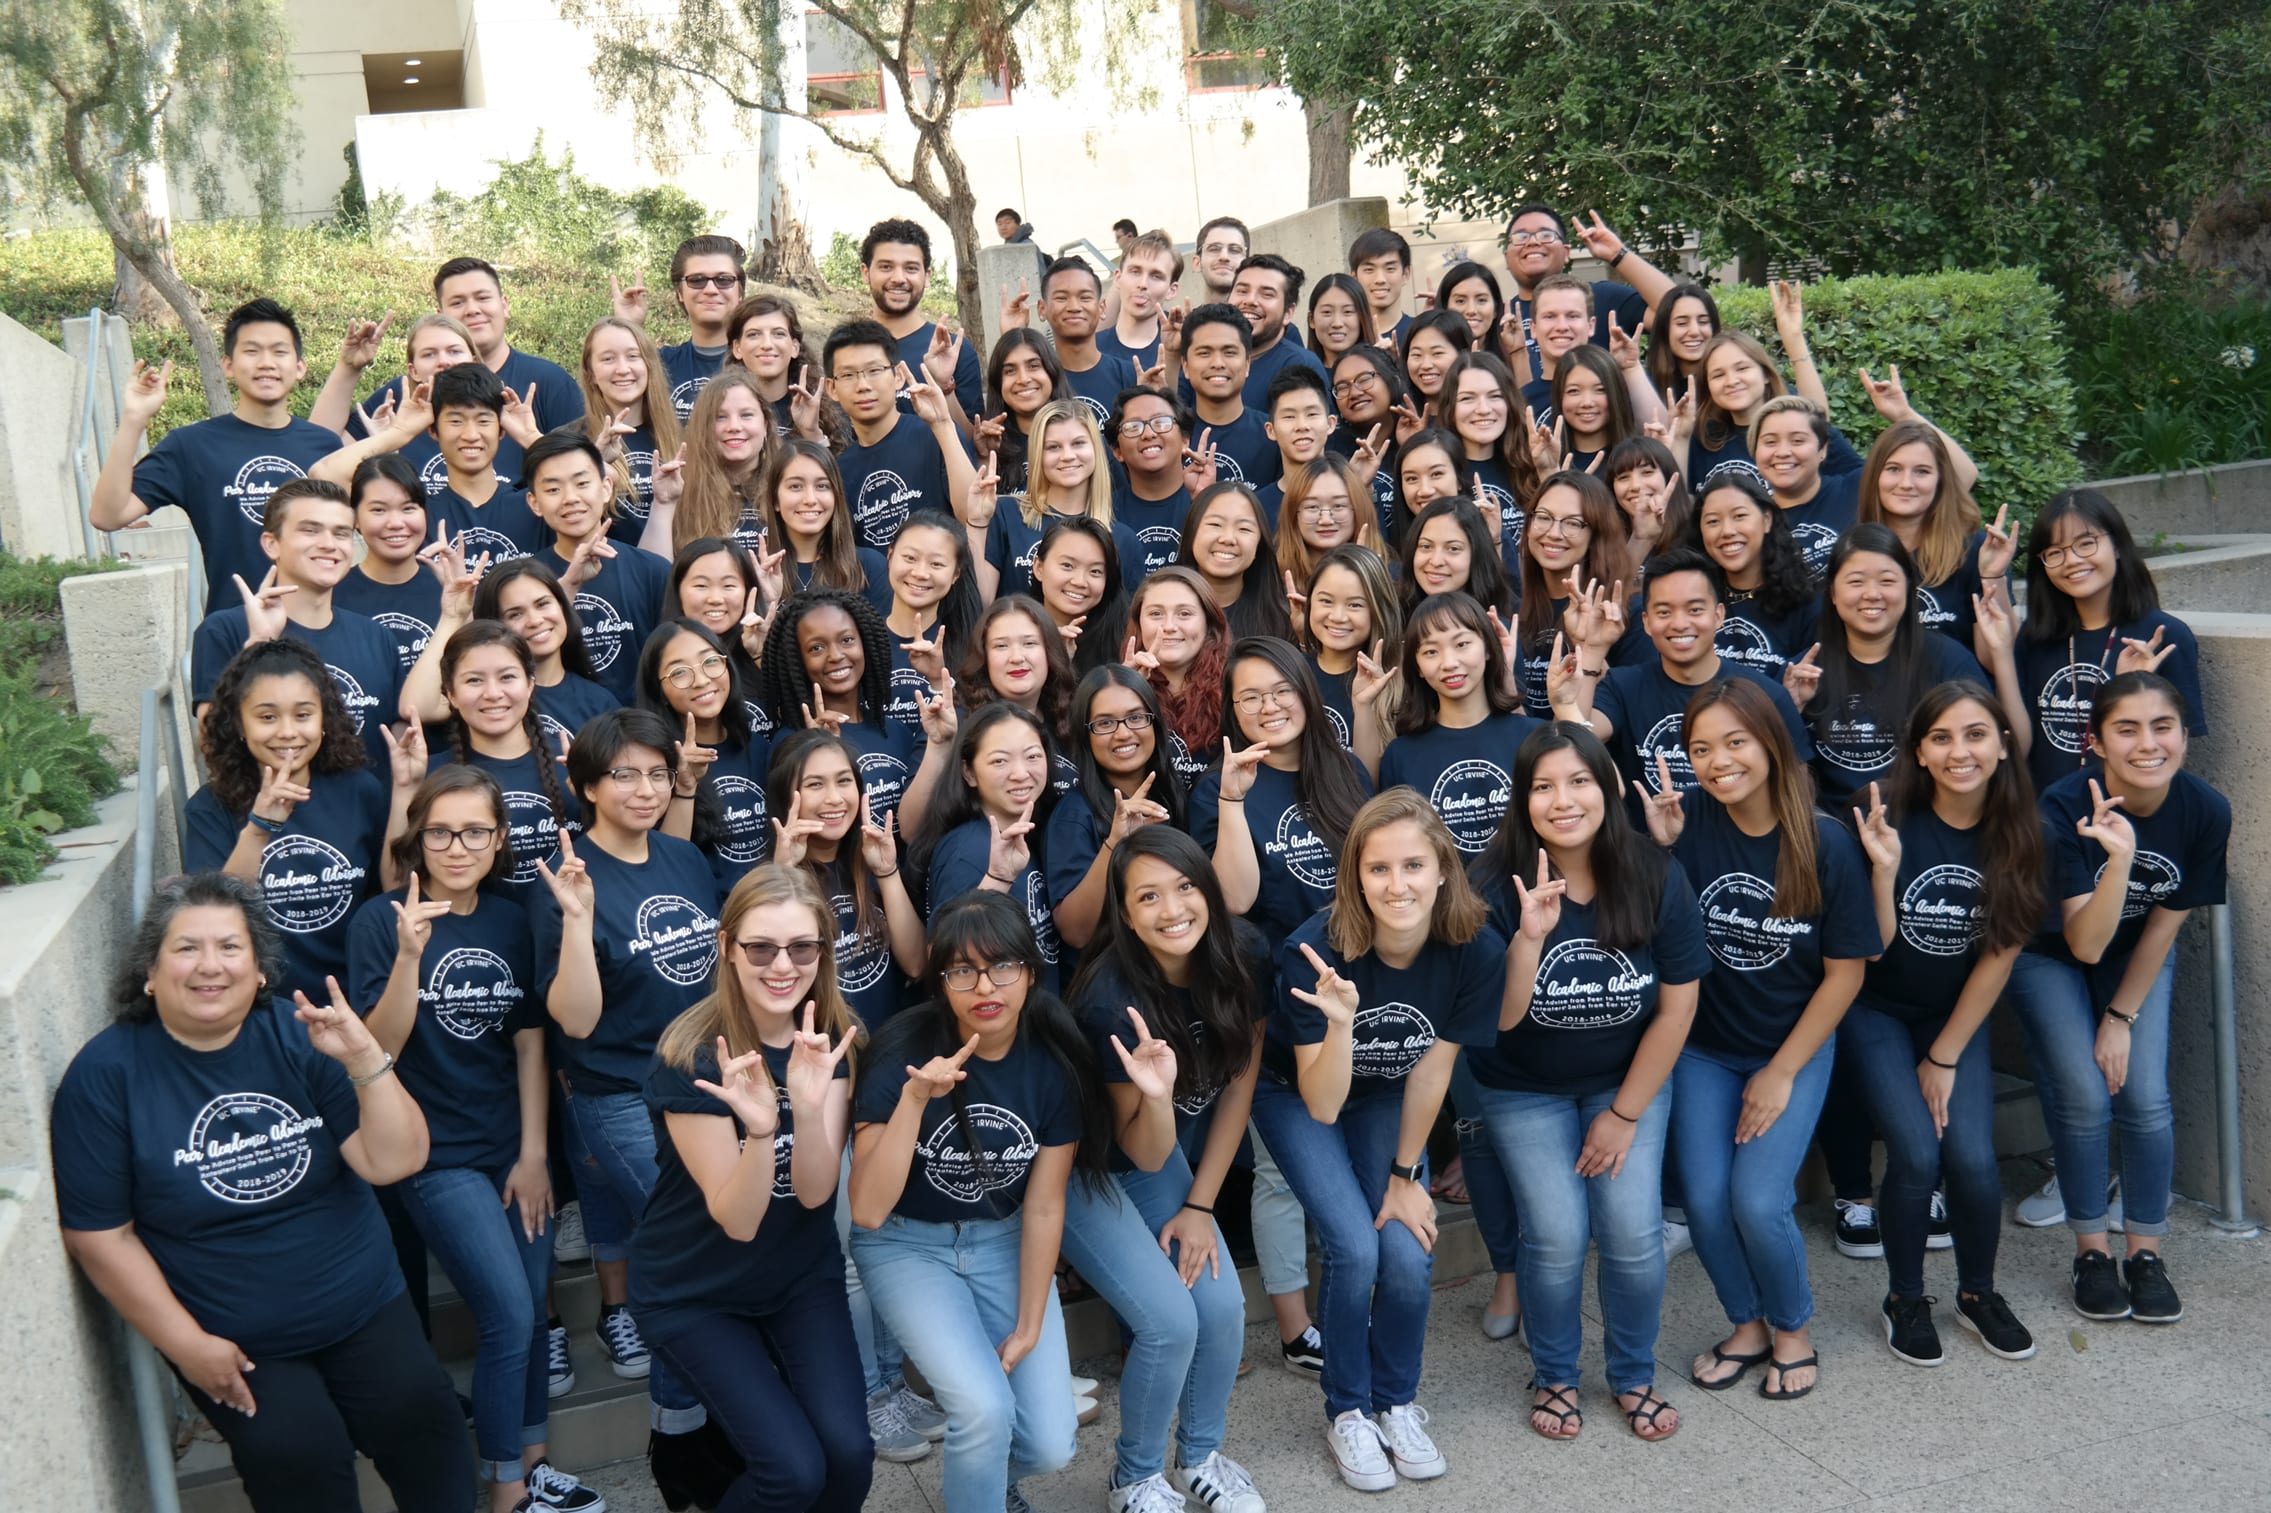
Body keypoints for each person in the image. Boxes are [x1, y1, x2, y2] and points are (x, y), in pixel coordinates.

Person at [52, 873, 469, 1513]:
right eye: (186, 949)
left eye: (230, 947)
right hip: (235, 1341)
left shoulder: (300, 1033)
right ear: (149, 973)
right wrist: (186, 1344)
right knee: (299, 1456)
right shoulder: (105, 1077)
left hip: (362, 1304)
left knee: (427, 1427)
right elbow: (100, 1236)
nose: (210, 966)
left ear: (260, 969)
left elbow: (395, 1161)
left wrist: (365, 1062)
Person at [346, 768, 604, 1513]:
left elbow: (530, 1042)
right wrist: (407, 957)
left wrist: (532, 1153)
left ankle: (532, 1458)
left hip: (508, 1142)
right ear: (416, 838)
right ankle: (506, 1490)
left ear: (498, 840)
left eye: (475, 831)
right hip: (432, 1155)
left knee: (526, 1297)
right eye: (440, 831)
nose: (457, 846)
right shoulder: (378, 920)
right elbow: (376, 1049)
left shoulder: (510, 917)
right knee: (508, 1312)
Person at [1253, 790, 1506, 1491]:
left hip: (1390, 1090)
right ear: (1354, 876)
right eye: (1378, 868)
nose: (1396, 885)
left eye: (1413, 865)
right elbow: (1323, 1101)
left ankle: (1395, 1402)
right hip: (1300, 1091)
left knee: (1403, 1247)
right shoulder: (1312, 949)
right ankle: (1348, 1412)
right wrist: (1338, 1022)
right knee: (1354, 1245)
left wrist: (1405, 1175)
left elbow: (1433, 1068)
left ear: (1442, 869)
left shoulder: (1474, 946)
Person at [1641, 678, 1879, 1403]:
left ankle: (1792, 1330)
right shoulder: (1687, 829)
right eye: (1701, 748)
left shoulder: (1826, 841)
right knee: (1705, 1202)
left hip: (1791, 1048)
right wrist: (1659, 853)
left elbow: (1845, 974)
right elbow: (1658, 941)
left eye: (1735, 741)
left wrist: (1780, 1071)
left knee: (1757, 1199)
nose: (1717, 761)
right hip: (1704, 1047)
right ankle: (1745, 1322)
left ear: (1772, 743)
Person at [1470, 723, 1707, 1442]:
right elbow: (1499, 1020)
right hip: (1521, 1084)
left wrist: (1625, 1113)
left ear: (1607, 788)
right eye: (1542, 785)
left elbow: (1676, 1007)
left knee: (1633, 1233)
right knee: (1557, 1231)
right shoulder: (1491, 883)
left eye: (1578, 781)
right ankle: (1555, 1374)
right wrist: (1528, 938)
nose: (1562, 799)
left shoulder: (1654, 871)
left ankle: (1632, 1373)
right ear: (1522, 800)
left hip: (1624, 1078)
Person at [848, 892, 1108, 1513]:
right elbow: (866, 1210)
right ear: (941, 981)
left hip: (1003, 1237)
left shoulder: (1055, 1062)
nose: (984, 985)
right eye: (962, 969)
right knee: (984, 1409)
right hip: (907, 1245)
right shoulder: (901, 1048)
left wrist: (1030, 1324)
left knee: (1050, 1445)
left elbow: (1045, 1206)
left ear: (1031, 972)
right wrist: (915, 1102)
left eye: (1003, 966)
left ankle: (986, 1485)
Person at [635, 865, 874, 1512]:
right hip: (694, 1288)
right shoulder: (691, 1054)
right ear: (726, 946)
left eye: (801, 947)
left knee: (849, 1459)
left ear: (822, 952)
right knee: (791, 1472)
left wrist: (807, 1100)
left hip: (796, 1274)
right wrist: (764, 1132)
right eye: (760, 947)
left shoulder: (832, 1041)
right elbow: (737, 1219)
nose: (781, 965)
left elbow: (817, 1191)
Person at [529, 707, 726, 1494]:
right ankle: (687, 1431)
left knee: (668, 1251)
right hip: (618, 1095)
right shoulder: (567, 881)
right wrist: (576, 922)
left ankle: (688, 1424)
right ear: (585, 787)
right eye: (623, 775)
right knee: (702, 1241)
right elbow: (573, 1020)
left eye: (655, 772)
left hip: (700, 1081)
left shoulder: (681, 857)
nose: (644, 788)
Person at [1062, 829, 1271, 1513]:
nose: (1172, 907)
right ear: (1123, 914)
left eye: (1184, 886)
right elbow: (1141, 1150)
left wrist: (1202, 1206)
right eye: (1147, 896)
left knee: (1221, 1304)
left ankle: (1202, 1455)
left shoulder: (1243, 956)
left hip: (1159, 1160)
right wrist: (1156, 1094)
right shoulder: (1108, 1001)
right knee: (1167, 1322)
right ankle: (1136, 1477)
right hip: (1083, 1171)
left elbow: (1238, 1087)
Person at [2011, 672, 2228, 1325]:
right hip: (2047, 953)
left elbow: (2165, 922)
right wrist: (2122, 859)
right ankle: (2090, 1252)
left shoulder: (2203, 809)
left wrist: (2119, 1016)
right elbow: (2081, 941)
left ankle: (2143, 1252)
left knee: (2143, 1095)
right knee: (2082, 1091)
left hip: (2134, 959)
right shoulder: (2061, 805)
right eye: (2125, 729)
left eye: (2161, 726)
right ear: (2096, 742)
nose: (2146, 743)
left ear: (2184, 736)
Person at [1845, 684, 2046, 1366]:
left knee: (1971, 1158)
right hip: (1873, 1008)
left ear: (2002, 744)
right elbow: (1868, 947)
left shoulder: (2024, 830)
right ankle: (1903, 1298)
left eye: (1974, 735)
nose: (1959, 751)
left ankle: (1976, 1292)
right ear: (1919, 752)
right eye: (1941, 738)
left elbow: (2000, 956)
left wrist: (1946, 1054)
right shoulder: (1883, 813)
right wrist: (1882, 872)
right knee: (1916, 1152)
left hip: (1953, 1013)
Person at [186, 637, 412, 1001]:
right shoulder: (210, 808)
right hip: (263, 1005)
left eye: (303, 714)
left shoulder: (360, 790)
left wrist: (404, 789)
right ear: (240, 726)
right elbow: (212, 919)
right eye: (267, 717)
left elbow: (395, 889)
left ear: (324, 718)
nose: (288, 732)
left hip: (360, 996)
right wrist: (259, 827)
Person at [91, 299, 344, 613]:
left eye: (279, 352)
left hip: (321, 627)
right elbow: (107, 515)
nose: (266, 363)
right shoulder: (192, 446)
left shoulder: (325, 445)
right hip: (233, 633)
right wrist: (133, 419)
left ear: (300, 367)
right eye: (251, 351)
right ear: (227, 365)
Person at [1550, 547, 1813, 808]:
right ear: (1647, 621)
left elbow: (1796, 793)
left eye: (1695, 610)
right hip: (1647, 847)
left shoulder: (1766, 694)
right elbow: (1575, 742)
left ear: (1718, 615)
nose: (1679, 623)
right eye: (1664, 612)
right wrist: (1594, 649)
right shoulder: (1624, 685)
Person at [1788, 525, 2019, 817]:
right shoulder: (1803, 673)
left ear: (1909, 589)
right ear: (1832, 593)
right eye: (1856, 582)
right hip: (1831, 835)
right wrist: (1789, 710)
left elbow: (2009, 749)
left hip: (1925, 828)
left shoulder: (1947, 661)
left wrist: (2002, 656)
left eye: (1887, 581)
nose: (1872, 594)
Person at [188, 479, 406, 765]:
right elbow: (211, 746)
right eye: (310, 530)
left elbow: (396, 736)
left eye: (341, 534)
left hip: (368, 806)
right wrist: (259, 647)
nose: (329, 544)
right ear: (272, 544)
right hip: (271, 806)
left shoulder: (377, 637)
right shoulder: (224, 630)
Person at [2015, 488, 2205, 796]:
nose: (2072, 560)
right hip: (2048, 820)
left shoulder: (2164, 636)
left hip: (2125, 816)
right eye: (2054, 552)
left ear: (2116, 544)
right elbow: (2018, 739)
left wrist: (2133, 683)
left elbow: (2170, 755)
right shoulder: (2034, 638)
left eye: (2086, 544)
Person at [1195, 635, 1373, 946]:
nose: (1270, 707)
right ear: (1232, 708)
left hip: (1361, 956)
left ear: (1305, 692)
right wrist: (1232, 801)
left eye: (1283, 691)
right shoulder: (1216, 789)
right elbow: (1234, 902)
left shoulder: (1348, 770)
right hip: (1278, 972)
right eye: (1251, 697)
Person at [754, 588, 957, 834]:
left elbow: (916, 827)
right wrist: (813, 749)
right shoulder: (790, 742)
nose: (836, 655)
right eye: (816, 648)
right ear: (797, 662)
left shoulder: (896, 731)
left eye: (847, 640)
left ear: (865, 643)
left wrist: (937, 680)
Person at [766, 728, 925, 1029]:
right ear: (786, 796)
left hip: (888, 1052)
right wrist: (782, 875)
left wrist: (886, 872)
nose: (835, 798)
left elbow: (916, 964)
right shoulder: (769, 876)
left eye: (844, 781)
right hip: (822, 1058)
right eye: (815, 784)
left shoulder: (872, 860)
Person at [1379, 591, 1545, 851]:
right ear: (1418, 667)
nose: (1449, 663)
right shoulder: (1400, 755)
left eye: (1462, 644)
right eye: (1431, 651)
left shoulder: (1533, 737)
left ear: (1490, 648)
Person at [919, 702, 1066, 990]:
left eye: (1033, 756)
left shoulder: (1026, 832)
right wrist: (996, 879)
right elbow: (943, 957)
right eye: (1000, 761)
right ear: (969, 773)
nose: (1021, 773)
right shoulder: (969, 852)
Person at [430, 620, 585, 893]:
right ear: (451, 694)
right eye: (474, 680)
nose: (492, 694)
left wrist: (589, 800)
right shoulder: (432, 775)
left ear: (530, 685)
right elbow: (400, 879)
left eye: (507, 677)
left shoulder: (573, 763)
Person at [1047, 665, 1187, 949]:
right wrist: (1115, 843)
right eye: (1105, 723)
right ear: (1086, 735)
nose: (1123, 734)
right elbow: (1075, 932)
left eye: (1135, 717)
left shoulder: (1172, 792)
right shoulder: (1073, 815)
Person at [826, 319, 986, 562]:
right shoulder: (839, 469)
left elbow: (973, 516)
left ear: (898, 376)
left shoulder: (935, 435)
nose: (863, 385)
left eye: (874, 370)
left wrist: (943, 426)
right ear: (832, 388)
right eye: (848, 375)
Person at [1853, 418, 2015, 655]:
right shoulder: (1853, 552)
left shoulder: (1976, 551)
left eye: (1922, 472)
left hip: (1958, 688)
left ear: (1940, 481)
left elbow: (1997, 659)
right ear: (1875, 476)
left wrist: (1992, 577)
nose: (1906, 483)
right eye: (1894, 469)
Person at [528, 431, 669, 703]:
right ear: (534, 503)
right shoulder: (523, 583)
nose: (570, 498)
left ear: (606, 488)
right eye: (553, 489)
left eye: (581, 483)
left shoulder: (653, 571)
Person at [636, 619, 775, 893]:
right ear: (659, 690)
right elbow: (665, 866)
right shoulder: (653, 766)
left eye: (710, 662)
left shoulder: (758, 746)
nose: (701, 680)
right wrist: (685, 788)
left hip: (773, 904)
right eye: (679, 672)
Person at [1510, 470, 1646, 718]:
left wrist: (1591, 649)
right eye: (1543, 517)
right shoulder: (1513, 609)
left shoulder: (1624, 614)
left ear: (1596, 535)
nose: (1553, 533)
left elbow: (1615, 721)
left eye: (1573, 523)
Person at [319, 312, 494, 498]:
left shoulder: (500, 411)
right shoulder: (395, 403)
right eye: (429, 354)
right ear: (414, 371)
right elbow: (321, 463)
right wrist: (393, 438)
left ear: (474, 361)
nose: (443, 361)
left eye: (454, 351)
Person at [1674, 297, 1844, 484]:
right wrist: (1681, 438)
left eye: (1742, 368)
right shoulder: (1705, 440)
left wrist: (1794, 339)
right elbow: (1679, 502)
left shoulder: (1796, 436)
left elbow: (1817, 417)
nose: (1731, 381)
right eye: (1718, 375)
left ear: (1765, 374)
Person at [989, 400, 1143, 598]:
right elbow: (981, 604)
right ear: (1038, 455)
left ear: (1096, 448)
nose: (1067, 456)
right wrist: (976, 522)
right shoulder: (1005, 514)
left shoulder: (1123, 539)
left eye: (1078, 443)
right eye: (1053, 447)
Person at [1682, 466, 1820, 680]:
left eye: (1739, 516)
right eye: (1712, 521)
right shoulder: (1692, 597)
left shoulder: (1805, 603)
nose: (1727, 531)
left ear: (1766, 520)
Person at [1498, 206, 1672, 370]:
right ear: (1506, 258)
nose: (1532, 242)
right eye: (1521, 237)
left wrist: (1618, 255)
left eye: (1545, 235)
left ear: (1566, 252)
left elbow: (1676, 313)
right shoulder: (1499, 319)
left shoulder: (1602, 298)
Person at [859, 218, 984, 428]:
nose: (898, 278)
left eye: (911, 268)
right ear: (865, 272)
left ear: (927, 276)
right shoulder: (847, 349)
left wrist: (944, 386)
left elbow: (973, 442)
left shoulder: (952, 351)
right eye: (886, 266)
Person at [644, 367, 778, 556]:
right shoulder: (681, 491)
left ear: (765, 425)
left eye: (746, 415)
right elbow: (651, 574)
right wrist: (663, 505)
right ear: (703, 428)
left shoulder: (786, 486)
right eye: (720, 417)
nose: (734, 426)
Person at [575, 315, 684, 546]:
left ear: (649, 365)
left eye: (633, 356)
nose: (623, 369)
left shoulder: (680, 436)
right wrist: (594, 464)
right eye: (608, 359)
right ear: (591, 373)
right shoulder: (572, 442)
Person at [426, 361, 552, 562]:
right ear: (433, 429)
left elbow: (595, 481)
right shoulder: (419, 514)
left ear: (502, 429)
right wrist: (397, 435)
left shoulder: (536, 507)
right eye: (456, 421)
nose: (471, 435)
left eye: (483, 420)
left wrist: (530, 438)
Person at [332, 454, 445, 675]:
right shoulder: (332, 595)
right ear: (354, 518)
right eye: (378, 510)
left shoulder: (447, 589)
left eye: (408, 508)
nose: (395, 523)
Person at [615, 234, 747, 419]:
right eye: (697, 280)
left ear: (740, 292)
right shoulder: (659, 365)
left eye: (724, 280)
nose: (710, 289)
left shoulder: (763, 362)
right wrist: (629, 326)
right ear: (679, 293)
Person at [1746, 394, 1880, 576]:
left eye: (1798, 441)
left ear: (1822, 450)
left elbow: (1929, 465)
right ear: (1755, 452)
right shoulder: (1750, 522)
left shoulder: (1859, 486)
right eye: (1770, 442)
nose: (1783, 452)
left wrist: (1903, 414)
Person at [956, 595, 1081, 788]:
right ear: (983, 657)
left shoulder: (1074, 718)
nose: (1016, 657)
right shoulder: (959, 724)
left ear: (1050, 652)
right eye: (1001, 646)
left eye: (1029, 643)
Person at [1125, 566, 1235, 785]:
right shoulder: (1114, 688)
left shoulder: (1237, 686)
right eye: (1156, 614)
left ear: (1209, 623)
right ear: (1139, 623)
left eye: (1184, 614)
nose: (1169, 626)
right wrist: (1124, 693)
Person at [881, 509, 987, 735]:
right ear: (890, 556)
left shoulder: (973, 649)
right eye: (910, 558)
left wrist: (939, 681)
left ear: (955, 575)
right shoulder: (859, 640)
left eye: (936, 564)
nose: (920, 573)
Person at [1004, 257, 1142, 428]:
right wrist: (1011, 337)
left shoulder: (1129, 374)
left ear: (1102, 307)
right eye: (1061, 298)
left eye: (1085, 298)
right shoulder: (1033, 381)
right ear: (1042, 309)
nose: (1074, 307)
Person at [1297, 542, 1401, 759]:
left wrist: (1365, 708)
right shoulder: (1291, 672)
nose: (1338, 616)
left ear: (1378, 610)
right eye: (1326, 601)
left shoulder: (1397, 683)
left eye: (1355, 605)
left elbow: (1368, 783)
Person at [1436, 352, 1538, 574]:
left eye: (1495, 396)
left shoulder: (1531, 465)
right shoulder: (1438, 474)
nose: (1483, 409)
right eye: (1467, 398)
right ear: (1450, 408)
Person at [759, 437, 891, 606]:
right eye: (796, 486)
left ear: (836, 495)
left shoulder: (869, 567)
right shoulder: (757, 572)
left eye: (822, 486)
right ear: (775, 499)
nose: (810, 499)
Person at [1109, 385, 1215, 579]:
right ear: (1117, 451)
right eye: (1133, 427)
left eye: (1161, 422)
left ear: (1185, 439)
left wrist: (1204, 501)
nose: (1148, 434)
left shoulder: (1212, 502)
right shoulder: (1103, 512)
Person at [1176, 305, 1279, 488]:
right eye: (1204, 353)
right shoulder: (1170, 435)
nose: (1217, 363)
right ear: (1185, 366)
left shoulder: (1274, 436)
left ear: (1247, 364)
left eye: (1229, 352)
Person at [1181, 482, 1294, 642]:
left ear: (1259, 542)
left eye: (1244, 529)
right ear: (1192, 531)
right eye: (1215, 525)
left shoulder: (1282, 617)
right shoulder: (1162, 606)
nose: (1228, 539)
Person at [1275, 456, 1384, 613]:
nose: (1325, 520)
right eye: (1312, 507)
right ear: (1293, 514)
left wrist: (1365, 573)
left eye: (1338, 506)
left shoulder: (1390, 574)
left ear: (1358, 509)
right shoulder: (1270, 579)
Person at [980, 328, 1078, 497]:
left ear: (1052, 372)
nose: (1023, 379)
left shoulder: (1084, 438)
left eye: (1033, 366)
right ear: (998, 383)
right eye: (1010, 371)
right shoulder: (988, 445)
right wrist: (985, 456)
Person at [1034, 515, 1132, 675]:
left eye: (1095, 571)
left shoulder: (1124, 643)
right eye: (1067, 565)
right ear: (1039, 567)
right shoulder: (1017, 634)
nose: (1080, 582)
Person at [1326, 347, 1407, 537]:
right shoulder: (1331, 453)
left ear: (1392, 379)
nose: (1354, 393)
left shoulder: (1420, 440)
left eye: (1364, 379)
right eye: (1343, 387)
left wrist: (1415, 448)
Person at [726, 294, 831, 441]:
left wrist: (812, 432)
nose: (767, 345)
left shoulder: (819, 409)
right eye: (754, 335)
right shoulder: (720, 408)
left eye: (778, 334)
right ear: (737, 348)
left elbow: (830, 464)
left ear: (795, 347)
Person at [1397, 495, 1516, 623]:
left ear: (1477, 554)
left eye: (1453, 549)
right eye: (1426, 546)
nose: (1436, 562)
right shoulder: (1392, 619)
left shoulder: (1499, 629)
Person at [1254, 367, 1347, 525]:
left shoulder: (1349, 495)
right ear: (1271, 430)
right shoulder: (1256, 508)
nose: (1302, 426)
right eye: (1289, 416)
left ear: (1330, 424)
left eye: (1311, 414)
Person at [1604, 437, 1693, 574]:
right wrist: (1641, 540)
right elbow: (1611, 592)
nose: (1635, 486)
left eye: (1647, 472)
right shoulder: (1604, 541)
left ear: (1668, 476)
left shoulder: (1696, 533)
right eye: (1623, 477)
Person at [1100, 230, 1184, 372]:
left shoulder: (1185, 350)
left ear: (1172, 290)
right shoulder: (1092, 349)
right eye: (1135, 271)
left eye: (1156, 276)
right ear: (1118, 278)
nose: (1143, 283)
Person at [1642, 282, 1722, 404]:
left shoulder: (1726, 382)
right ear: (1665, 330)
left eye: (1703, 321)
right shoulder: (1647, 385)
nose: (1694, 331)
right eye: (1682, 323)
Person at [1348, 226, 1414, 346]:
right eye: (1369, 269)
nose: (1380, 280)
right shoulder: (1344, 338)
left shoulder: (1419, 334)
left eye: (1390, 268)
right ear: (1354, 277)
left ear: (1406, 274)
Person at [1398, 309, 1471, 417]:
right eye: (1417, 355)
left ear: (1463, 354)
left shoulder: (1479, 414)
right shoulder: (1399, 418)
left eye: (1437, 353)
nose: (1426, 365)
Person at [1306, 272, 1378, 372]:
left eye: (1348, 312)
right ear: (1311, 320)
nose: (1337, 323)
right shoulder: (1300, 376)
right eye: (1327, 312)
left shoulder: (1377, 374)